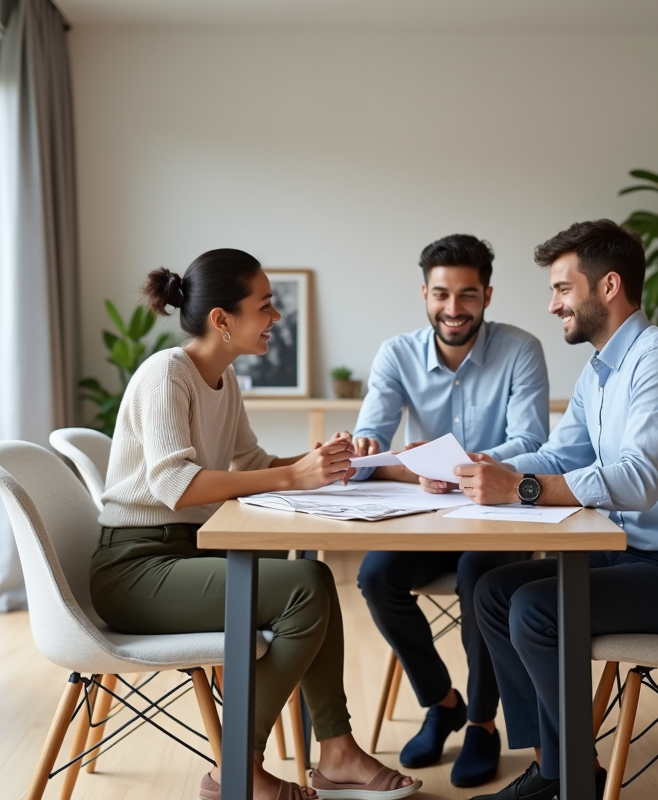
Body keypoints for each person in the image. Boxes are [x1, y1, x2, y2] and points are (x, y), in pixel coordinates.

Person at [92, 249, 421, 800]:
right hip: (136, 569)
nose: (276, 318)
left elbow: (249, 465)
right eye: (264, 306)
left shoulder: (224, 381)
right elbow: (179, 486)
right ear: (222, 320)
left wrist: (318, 465)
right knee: (305, 591)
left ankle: (336, 751)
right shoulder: (167, 374)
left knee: (311, 575)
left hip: (187, 554)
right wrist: (293, 478)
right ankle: (235, 771)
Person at [452, 220, 658, 800]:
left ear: (608, 286)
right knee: (492, 589)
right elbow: (557, 453)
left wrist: (520, 489)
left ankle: (569, 782)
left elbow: (636, 481)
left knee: (537, 609)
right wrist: (482, 465)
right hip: (639, 556)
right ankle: (556, 768)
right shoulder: (600, 368)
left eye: (563, 289)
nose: (552, 304)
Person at [342, 234, 550, 788]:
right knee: (375, 575)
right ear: (424, 293)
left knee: (477, 576)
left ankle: (483, 723)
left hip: (500, 513)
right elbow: (372, 434)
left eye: (467, 295)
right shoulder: (396, 353)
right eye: (441, 295)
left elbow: (532, 440)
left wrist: (472, 464)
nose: (453, 309)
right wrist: (366, 448)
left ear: (487, 294)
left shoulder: (522, 348)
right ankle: (442, 701)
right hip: (430, 515)